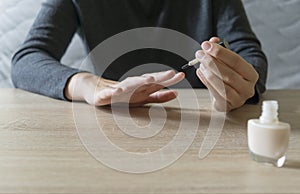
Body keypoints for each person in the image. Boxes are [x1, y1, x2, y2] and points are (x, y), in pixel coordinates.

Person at [11, 0, 267, 111]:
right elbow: (27, 59)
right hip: (113, 120)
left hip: (205, 124)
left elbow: (249, 53)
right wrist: (90, 86)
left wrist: (238, 88)